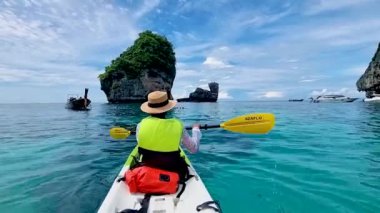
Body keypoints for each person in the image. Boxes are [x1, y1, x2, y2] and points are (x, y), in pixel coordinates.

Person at [128, 90, 201, 179]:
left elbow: (142, 143)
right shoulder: (178, 125)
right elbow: (194, 149)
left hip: (147, 171)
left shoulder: (140, 125)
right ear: (167, 109)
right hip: (173, 172)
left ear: (149, 109)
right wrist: (195, 129)